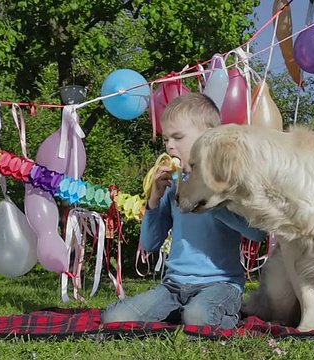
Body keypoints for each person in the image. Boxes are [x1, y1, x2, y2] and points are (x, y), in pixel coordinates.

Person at [101, 93, 267, 330]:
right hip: (173, 287)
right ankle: (183, 313)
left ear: (208, 136)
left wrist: (208, 204)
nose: (169, 145)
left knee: (199, 316)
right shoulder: (174, 185)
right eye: (166, 138)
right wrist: (154, 201)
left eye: (178, 137)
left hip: (221, 284)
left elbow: (257, 234)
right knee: (114, 318)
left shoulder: (226, 182)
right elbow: (150, 244)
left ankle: (220, 313)